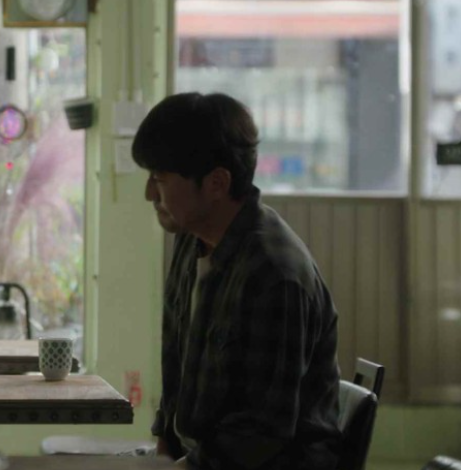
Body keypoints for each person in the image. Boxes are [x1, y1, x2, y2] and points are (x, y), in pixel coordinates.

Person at [133, 92, 341, 470]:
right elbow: (175, 371)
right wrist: (163, 455)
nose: (149, 194)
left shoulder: (275, 275)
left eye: (159, 179)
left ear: (216, 183)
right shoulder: (191, 239)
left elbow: (261, 433)